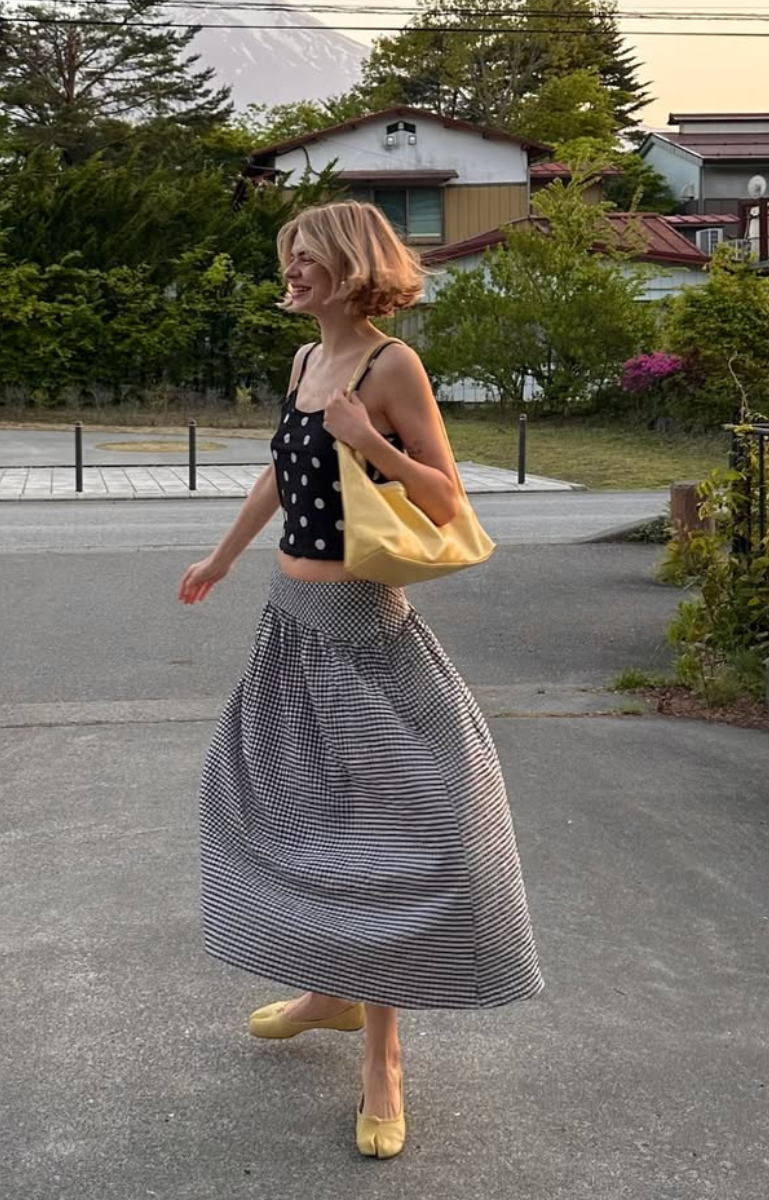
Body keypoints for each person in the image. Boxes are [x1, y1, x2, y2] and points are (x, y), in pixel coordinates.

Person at [178, 199, 543, 1160]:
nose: (291, 271)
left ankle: (384, 1059)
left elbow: (445, 497)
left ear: (351, 266)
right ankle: (330, 992)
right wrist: (222, 556)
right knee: (289, 811)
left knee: (387, 831)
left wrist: (369, 439)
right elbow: (280, 472)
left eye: (307, 258)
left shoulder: (391, 367)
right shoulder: (305, 360)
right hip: (288, 623)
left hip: (363, 633)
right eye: (288, 257)